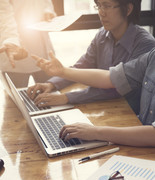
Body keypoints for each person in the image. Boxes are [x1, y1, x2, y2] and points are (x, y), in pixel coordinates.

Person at [31, 47, 155, 180]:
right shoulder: (152, 56)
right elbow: (110, 78)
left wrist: (97, 132)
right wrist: (63, 72)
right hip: (147, 160)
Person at [27, 0, 155, 115]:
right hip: (103, 109)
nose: (101, 12)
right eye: (98, 5)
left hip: (129, 117)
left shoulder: (145, 44)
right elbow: (81, 66)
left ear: (128, 9)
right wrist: (52, 84)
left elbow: (115, 89)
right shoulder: (102, 34)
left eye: (107, 6)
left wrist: (66, 98)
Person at [0, 0, 56, 88]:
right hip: (16, 53)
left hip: (44, 54)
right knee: (17, 99)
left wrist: (47, 10)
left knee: (52, 95)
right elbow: (4, 15)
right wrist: (11, 39)